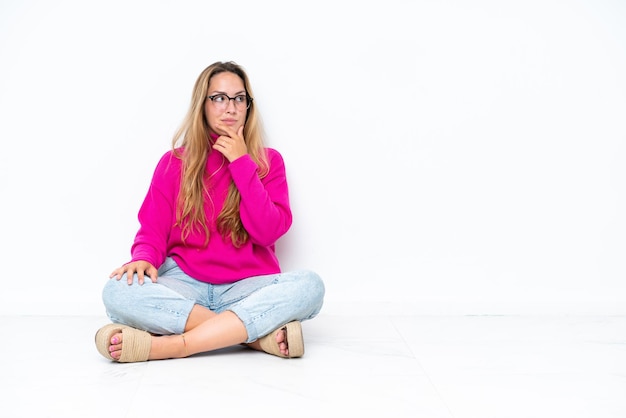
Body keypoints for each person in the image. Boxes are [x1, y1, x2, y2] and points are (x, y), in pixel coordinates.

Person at [95, 61, 325, 363]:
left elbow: (268, 231)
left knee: (310, 287)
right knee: (117, 291)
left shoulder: (268, 162)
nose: (230, 107)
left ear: (248, 107)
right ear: (202, 105)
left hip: (246, 286)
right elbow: (152, 229)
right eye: (219, 98)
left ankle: (174, 345)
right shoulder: (173, 163)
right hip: (184, 283)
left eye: (239, 98)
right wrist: (143, 259)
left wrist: (242, 164)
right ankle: (251, 337)